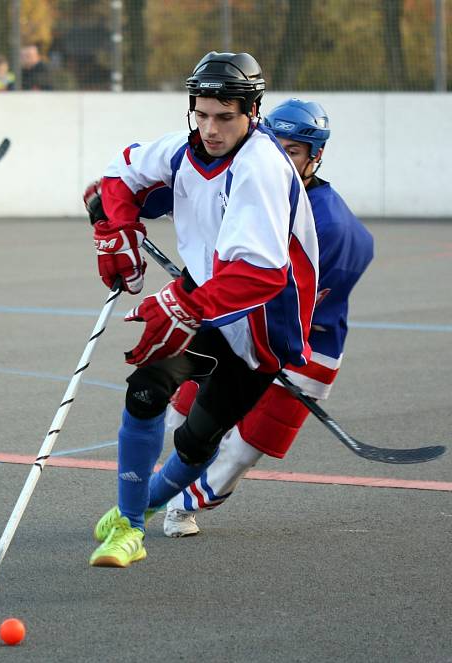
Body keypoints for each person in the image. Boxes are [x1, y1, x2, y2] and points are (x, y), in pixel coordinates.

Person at [85, 51, 320, 568]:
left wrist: (182, 305)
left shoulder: (259, 167)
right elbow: (121, 173)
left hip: (262, 324)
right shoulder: (183, 149)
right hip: (208, 293)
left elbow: (260, 274)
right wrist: (114, 228)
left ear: (252, 113)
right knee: (146, 391)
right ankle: (128, 528)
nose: (210, 129)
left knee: (197, 440)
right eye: (202, 113)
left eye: (225, 117)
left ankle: (142, 505)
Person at [158, 98, 374, 537]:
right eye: (276, 147)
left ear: (316, 155)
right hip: (235, 324)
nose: (280, 159)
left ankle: (180, 508)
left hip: (307, 341)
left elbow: (297, 300)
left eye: (293, 151)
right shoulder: (249, 178)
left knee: (244, 447)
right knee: (180, 413)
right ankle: (162, 490)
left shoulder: (333, 226)